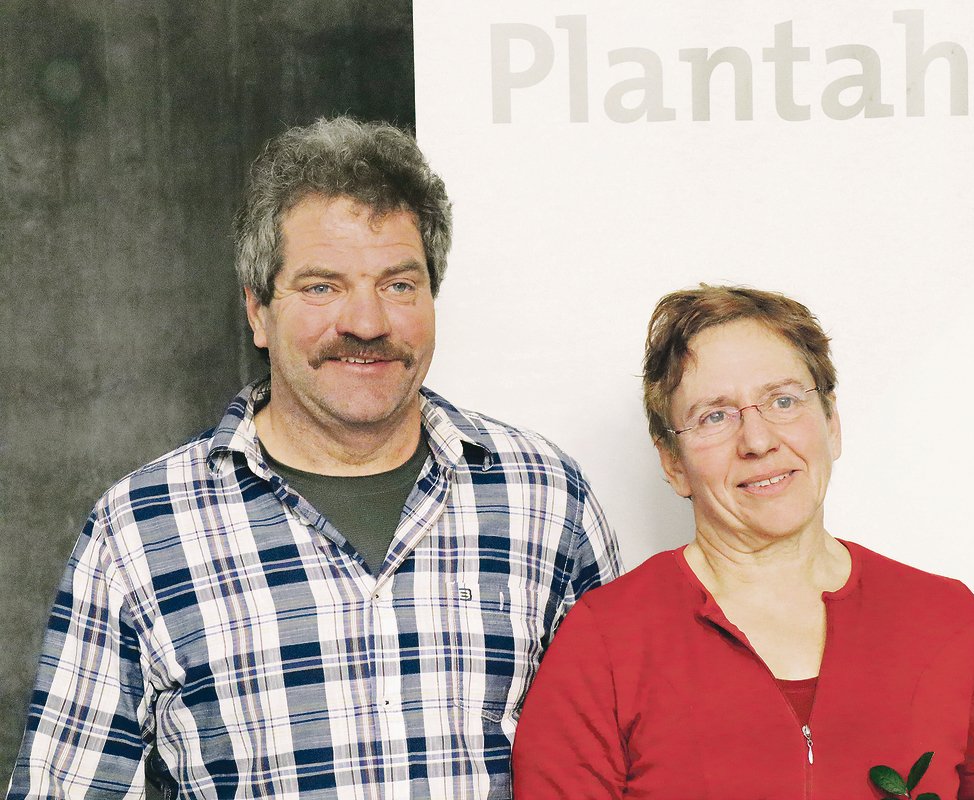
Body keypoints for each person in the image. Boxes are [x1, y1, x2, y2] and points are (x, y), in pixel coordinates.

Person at [7, 117, 621, 800]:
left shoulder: (545, 499)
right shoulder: (140, 532)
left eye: (399, 284)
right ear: (258, 311)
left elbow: (624, 768)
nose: (367, 323)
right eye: (322, 286)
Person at [512, 285, 974, 799]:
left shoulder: (948, 621)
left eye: (783, 401)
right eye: (715, 416)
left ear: (832, 423)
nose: (757, 440)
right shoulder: (604, 643)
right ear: (673, 463)